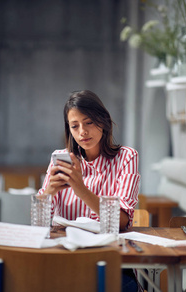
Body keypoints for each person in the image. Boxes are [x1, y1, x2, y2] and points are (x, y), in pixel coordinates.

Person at [39, 90, 141, 291]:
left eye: (89, 123)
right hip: (66, 258)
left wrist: (81, 190)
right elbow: (40, 225)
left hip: (111, 260)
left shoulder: (126, 157)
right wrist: (48, 193)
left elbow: (120, 221)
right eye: (74, 126)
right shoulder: (60, 158)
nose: (82, 132)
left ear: (103, 121)